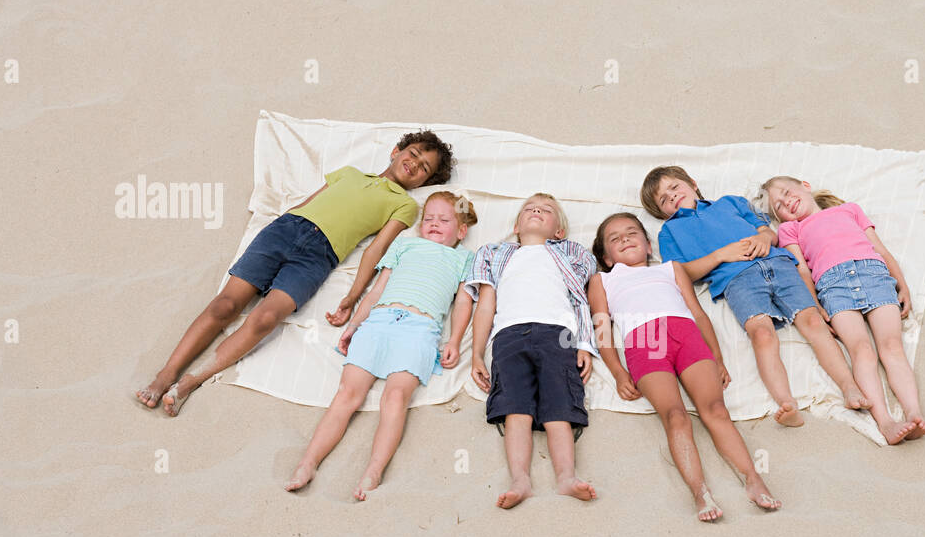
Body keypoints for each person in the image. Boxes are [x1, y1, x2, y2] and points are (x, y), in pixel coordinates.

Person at [134, 131, 454, 416]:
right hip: (285, 231)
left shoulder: (404, 205)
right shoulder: (350, 173)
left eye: (424, 167)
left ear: (424, 183)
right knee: (225, 306)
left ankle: (190, 381)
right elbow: (307, 203)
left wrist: (353, 296)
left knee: (265, 319)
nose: (414, 163)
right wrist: (281, 225)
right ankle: (167, 372)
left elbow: (376, 249)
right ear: (396, 150)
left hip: (319, 256)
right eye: (413, 153)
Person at [641, 166, 868, 427]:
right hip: (737, 280)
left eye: (674, 187)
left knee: (814, 322)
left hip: (779, 264)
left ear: (692, 183)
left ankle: (849, 387)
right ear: (661, 212)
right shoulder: (670, 232)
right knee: (762, 334)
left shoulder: (730, 202)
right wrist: (720, 255)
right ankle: (786, 403)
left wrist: (764, 239)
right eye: (663, 200)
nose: (671, 196)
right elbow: (680, 273)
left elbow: (768, 232)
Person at [588, 212, 780, 521]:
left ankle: (753, 478)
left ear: (648, 245)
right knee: (675, 416)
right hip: (645, 340)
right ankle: (700, 492)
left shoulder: (671, 269)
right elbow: (601, 327)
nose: (624, 238)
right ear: (606, 258)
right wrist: (618, 371)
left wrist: (717, 357)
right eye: (614, 238)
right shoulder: (603, 280)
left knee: (716, 410)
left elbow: (698, 313)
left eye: (631, 232)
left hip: (686, 335)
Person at [286, 192, 478, 498]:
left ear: (461, 230)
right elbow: (377, 291)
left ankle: (373, 471)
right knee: (347, 394)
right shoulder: (404, 244)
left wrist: (454, 339)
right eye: (428, 218)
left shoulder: (464, 258)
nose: (434, 224)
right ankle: (308, 463)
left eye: (444, 220)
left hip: (420, 328)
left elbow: (464, 303)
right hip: (379, 321)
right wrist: (353, 326)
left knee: (395, 398)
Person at [761, 175, 925, 443]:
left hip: (873, 274)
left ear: (805, 185)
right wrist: (816, 305)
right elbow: (802, 270)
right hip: (832, 285)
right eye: (778, 205)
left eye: (786, 192)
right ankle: (885, 422)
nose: (786, 202)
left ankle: (913, 412)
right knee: (861, 350)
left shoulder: (849, 209)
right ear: (780, 218)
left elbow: (881, 250)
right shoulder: (790, 230)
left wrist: (903, 285)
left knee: (891, 346)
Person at [466, 194, 598, 509]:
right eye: (529, 208)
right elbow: (485, 305)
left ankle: (566, 476)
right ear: (515, 226)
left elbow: (581, 299)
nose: (536, 210)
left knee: (560, 407)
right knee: (515, 408)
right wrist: (476, 353)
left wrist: (584, 344)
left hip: (558, 334)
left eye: (546, 210)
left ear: (559, 232)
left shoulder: (569, 253)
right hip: (509, 334)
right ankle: (520, 480)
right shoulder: (496, 253)